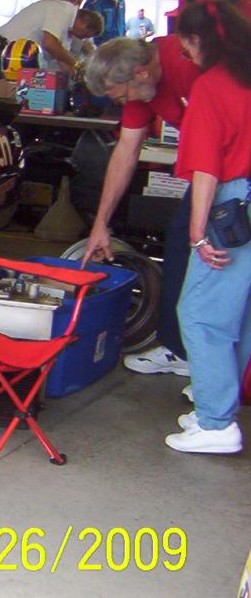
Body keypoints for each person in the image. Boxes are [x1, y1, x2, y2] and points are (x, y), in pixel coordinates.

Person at [81, 33, 202, 378]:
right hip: (213, 168)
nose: (122, 102)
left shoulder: (188, 61)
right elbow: (126, 150)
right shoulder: (138, 86)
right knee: (181, 243)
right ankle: (181, 348)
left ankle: (223, 368)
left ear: (140, 73)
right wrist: (100, 225)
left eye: (120, 96)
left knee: (221, 254)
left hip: (237, 162)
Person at [165, 0, 251, 454]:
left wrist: (197, 233)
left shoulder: (212, 86)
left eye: (186, 48)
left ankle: (217, 423)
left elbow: (206, 168)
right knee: (240, 316)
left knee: (200, 313)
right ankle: (215, 409)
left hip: (235, 206)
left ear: (198, 39)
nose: (186, 56)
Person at [0, 0, 97, 90]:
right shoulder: (61, 10)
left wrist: (77, 81)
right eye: (72, 1)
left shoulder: (67, 26)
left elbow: (61, 58)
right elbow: (49, 44)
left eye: (79, 2)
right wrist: (75, 65)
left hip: (20, 59)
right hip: (3, 52)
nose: (75, 5)